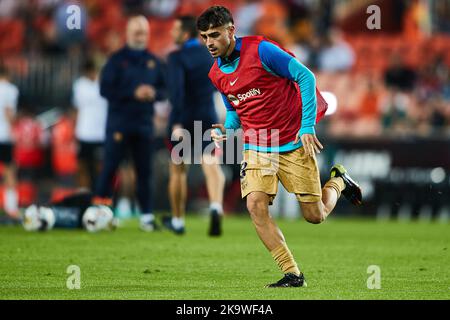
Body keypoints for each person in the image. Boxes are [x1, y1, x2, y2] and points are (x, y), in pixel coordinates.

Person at [197, 6, 362, 287]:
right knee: (255, 206)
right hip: (257, 144)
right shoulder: (216, 73)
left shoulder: (261, 50)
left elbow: (306, 77)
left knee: (315, 215)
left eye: (215, 35)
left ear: (231, 30)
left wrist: (307, 126)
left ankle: (338, 183)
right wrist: (228, 130)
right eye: (204, 37)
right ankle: (293, 273)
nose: (209, 43)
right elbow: (235, 109)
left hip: (293, 140)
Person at [94, 15, 166, 231]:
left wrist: (154, 93)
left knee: (145, 172)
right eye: (136, 32)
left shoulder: (154, 62)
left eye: (143, 32)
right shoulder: (116, 60)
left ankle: (146, 216)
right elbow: (105, 89)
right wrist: (133, 93)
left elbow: (165, 90)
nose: (140, 36)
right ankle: (99, 211)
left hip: (144, 124)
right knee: (110, 168)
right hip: (119, 123)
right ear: (128, 33)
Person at [165, 16, 225, 236]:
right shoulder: (209, 55)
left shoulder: (176, 57)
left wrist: (177, 122)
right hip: (208, 115)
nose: (172, 33)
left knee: (178, 169)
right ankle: (216, 206)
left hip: (184, 117)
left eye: (175, 29)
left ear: (185, 33)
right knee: (210, 162)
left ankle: (178, 221)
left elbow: (177, 91)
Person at [72, 59, 108, 191]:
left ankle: (100, 193)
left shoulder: (105, 84)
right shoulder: (80, 85)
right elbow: (76, 109)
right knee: (83, 165)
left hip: (101, 134)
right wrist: (74, 131)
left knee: (100, 166)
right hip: (84, 132)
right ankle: (84, 193)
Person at [0, 65, 19, 218]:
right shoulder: (10, 90)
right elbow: (8, 113)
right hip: (4, 135)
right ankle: (11, 208)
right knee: (9, 171)